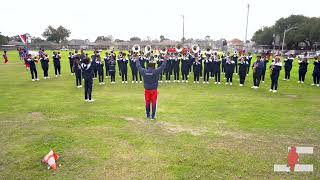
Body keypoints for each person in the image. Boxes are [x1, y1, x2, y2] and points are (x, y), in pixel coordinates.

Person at [136, 54, 167, 120]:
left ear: (148, 66)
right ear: (153, 66)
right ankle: (153, 116)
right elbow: (163, 66)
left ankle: (147, 115)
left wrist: (137, 59)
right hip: (154, 90)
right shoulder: (155, 71)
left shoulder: (144, 71)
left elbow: (138, 66)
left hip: (146, 90)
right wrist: (165, 59)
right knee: (154, 103)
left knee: (147, 103)